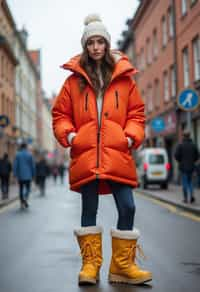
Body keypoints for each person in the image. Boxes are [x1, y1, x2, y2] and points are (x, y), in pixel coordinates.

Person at [52, 14, 152, 285]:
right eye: (91, 43)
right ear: (85, 46)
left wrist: (129, 138)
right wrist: (72, 137)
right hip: (86, 155)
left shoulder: (123, 79)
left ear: (107, 45)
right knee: (88, 209)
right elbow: (60, 114)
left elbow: (137, 114)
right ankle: (90, 266)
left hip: (117, 153)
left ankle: (121, 267)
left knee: (128, 207)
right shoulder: (73, 82)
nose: (96, 47)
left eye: (100, 42)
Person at [174, 130, 199, 203]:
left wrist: (180, 161)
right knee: (190, 182)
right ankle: (191, 196)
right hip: (191, 167)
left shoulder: (180, 145)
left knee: (184, 183)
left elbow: (176, 156)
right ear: (189, 136)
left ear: (183, 136)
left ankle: (185, 198)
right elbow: (197, 155)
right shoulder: (193, 145)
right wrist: (193, 161)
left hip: (183, 168)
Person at [13, 142, 36, 209]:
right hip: (28, 175)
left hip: (20, 176)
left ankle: (21, 202)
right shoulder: (29, 155)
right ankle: (25, 198)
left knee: (21, 189)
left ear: (21, 147)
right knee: (28, 188)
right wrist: (33, 175)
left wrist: (15, 174)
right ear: (26, 147)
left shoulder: (18, 154)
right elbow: (32, 166)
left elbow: (15, 165)